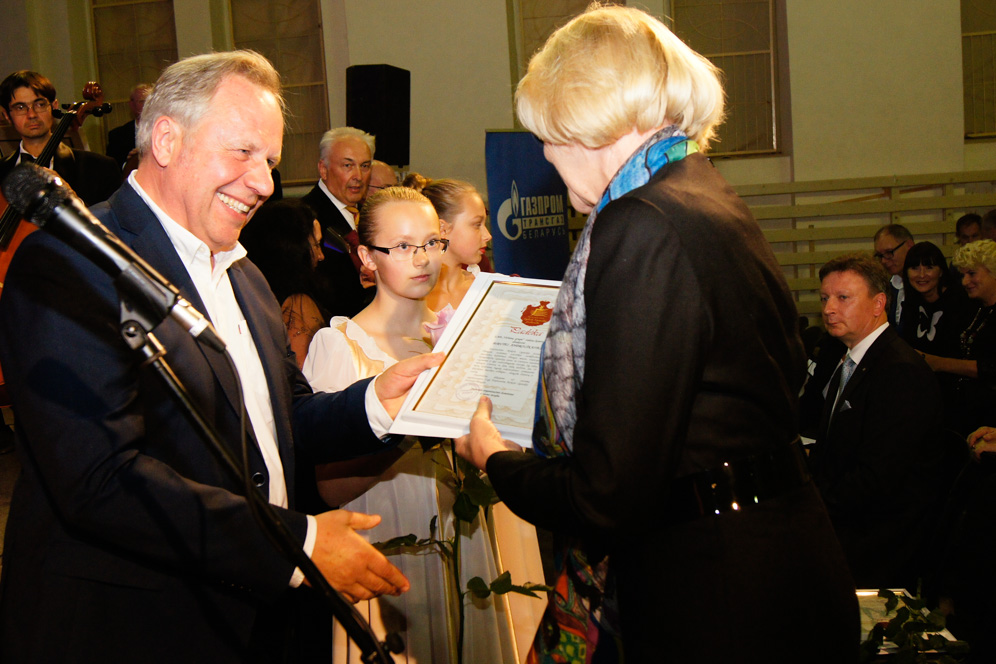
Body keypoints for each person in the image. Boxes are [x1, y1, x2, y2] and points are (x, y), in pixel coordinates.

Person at [0, 50, 442, 662]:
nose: (264, 183)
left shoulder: (244, 275)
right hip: (136, 626)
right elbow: (101, 480)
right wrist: (298, 544)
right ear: (166, 139)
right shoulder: (71, 261)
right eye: (243, 152)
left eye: (270, 162)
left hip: (260, 615)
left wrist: (376, 403)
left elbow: (281, 418)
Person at [454, 6, 858, 662]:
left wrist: (495, 459)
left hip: (717, 592)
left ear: (590, 115)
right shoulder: (704, 194)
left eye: (547, 134)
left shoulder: (640, 223)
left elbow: (606, 494)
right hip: (779, 560)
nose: (545, 154)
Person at [303, 186, 519, 663]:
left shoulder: (459, 335)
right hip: (391, 541)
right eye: (402, 246)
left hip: (466, 535)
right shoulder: (341, 345)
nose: (422, 259)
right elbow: (330, 489)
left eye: (431, 243)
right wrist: (412, 425)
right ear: (367, 256)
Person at [809, 253, 944, 589]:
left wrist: (811, 509)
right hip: (853, 519)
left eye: (843, 298)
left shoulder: (899, 371)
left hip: (880, 540)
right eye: (825, 298)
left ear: (878, 303)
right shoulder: (853, 358)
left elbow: (879, 479)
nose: (829, 309)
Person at [0, 70, 121, 206]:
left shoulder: (100, 168)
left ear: (54, 106)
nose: (32, 114)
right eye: (20, 107)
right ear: (6, 115)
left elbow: (118, 218)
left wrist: (75, 202)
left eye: (40, 104)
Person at [239, 198, 328, 369]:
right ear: (294, 249)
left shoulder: (252, 289)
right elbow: (304, 372)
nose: (321, 255)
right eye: (316, 245)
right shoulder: (297, 303)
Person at [922, 240, 996, 436]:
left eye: (971, 273)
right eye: (963, 275)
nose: (964, 282)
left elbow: (991, 368)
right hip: (968, 412)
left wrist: (939, 363)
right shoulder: (976, 308)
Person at [302, 126, 376, 317]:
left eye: (365, 166)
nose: (358, 176)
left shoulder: (371, 214)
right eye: (348, 166)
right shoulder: (304, 218)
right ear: (323, 169)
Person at [422, 178, 493, 313]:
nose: (487, 235)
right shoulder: (413, 297)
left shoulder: (489, 289)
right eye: (477, 225)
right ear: (442, 229)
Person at [900, 241, 973, 356]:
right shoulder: (910, 304)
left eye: (929, 268)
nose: (922, 275)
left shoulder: (960, 302)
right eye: (915, 268)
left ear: (941, 271)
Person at [873, 223, 915, 333]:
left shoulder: (925, 288)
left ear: (909, 246)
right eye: (880, 255)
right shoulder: (888, 288)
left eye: (889, 252)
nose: (884, 261)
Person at [105, 82, 152, 169]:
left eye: (151, 101)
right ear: (131, 104)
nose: (149, 105)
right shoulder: (117, 136)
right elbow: (111, 170)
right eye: (143, 101)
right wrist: (130, 163)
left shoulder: (167, 130)